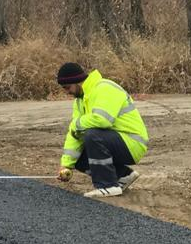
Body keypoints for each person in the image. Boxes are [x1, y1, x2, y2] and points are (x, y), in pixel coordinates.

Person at [56, 62, 148, 198]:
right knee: (78, 156)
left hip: (132, 142)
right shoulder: (80, 101)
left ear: (77, 82)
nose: (67, 92)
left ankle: (108, 185)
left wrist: (76, 124)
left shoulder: (104, 88)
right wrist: (66, 165)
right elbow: (75, 134)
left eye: (67, 87)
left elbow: (103, 120)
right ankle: (123, 175)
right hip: (115, 141)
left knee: (92, 135)